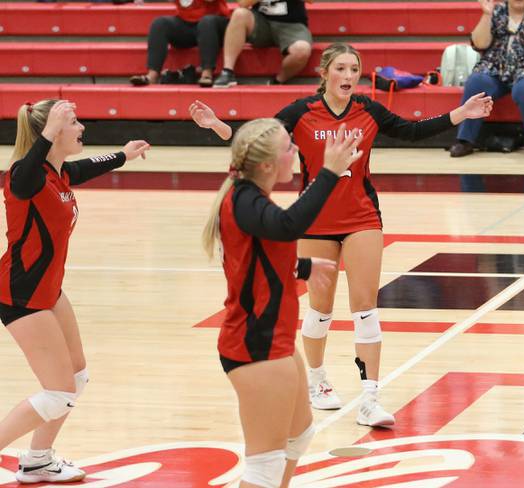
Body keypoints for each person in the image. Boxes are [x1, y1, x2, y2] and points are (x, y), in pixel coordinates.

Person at [191, 42, 492, 427]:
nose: (349, 76)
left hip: (362, 218)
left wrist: (461, 114)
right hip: (314, 220)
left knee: (366, 308)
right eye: (342, 69)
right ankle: (317, 381)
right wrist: (217, 126)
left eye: (355, 70)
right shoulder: (302, 112)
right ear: (325, 73)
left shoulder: (368, 110)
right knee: (320, 310)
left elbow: (412, 132)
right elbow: (259, 139)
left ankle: (370, 397)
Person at [199, 118, 360, 488]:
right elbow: (287, 226)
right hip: (255, 343)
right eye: (290, 148)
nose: (296, 153)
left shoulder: (248, 196)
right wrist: (329, 173)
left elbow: (260, 249)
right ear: (268, 165)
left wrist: (301, 266)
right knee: (265, 465)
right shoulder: (243, 199)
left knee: (298, 436)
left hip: (274, 338)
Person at [0, 100, 149, 483]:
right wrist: (49, 129)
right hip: (20, 294)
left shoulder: (58, 172)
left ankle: (37, 460)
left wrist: (123, 154)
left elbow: (83, 169)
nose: (82, 126)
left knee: (75, 379)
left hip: (48, 290)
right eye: (73, 122)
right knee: (58, 392)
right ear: (51, 132)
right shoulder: (25, 174)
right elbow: (20, 180)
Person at [449, 0, 524, 159]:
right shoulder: (496, 12)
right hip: (497, 66)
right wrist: (486, 15)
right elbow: (480, 43)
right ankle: (465, 140)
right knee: (476, 81)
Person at [129, 0, 231, 87]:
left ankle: (207, 74)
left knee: (206, 22)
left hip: (214, 25)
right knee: (159, 23)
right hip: (187, 23)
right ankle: (152, 76)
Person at [212, 0, 312, 88]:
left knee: (302, 50)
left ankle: (278, 80)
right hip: (261, 22)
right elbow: (243, 3)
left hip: (292, 25)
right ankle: (227, 71)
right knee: (239, 14)